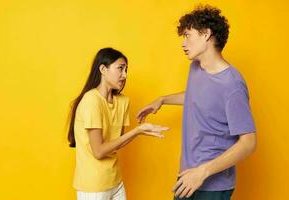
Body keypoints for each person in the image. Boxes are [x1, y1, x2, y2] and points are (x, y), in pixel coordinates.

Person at [137, 5, 256, 200]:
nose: (183, 43)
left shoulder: (232, 84)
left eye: (187, 35)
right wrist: (163, 100)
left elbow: (249, 143)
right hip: (187, 176)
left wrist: (202, 172)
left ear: (206, 34)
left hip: (212, 185)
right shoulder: (196, 67)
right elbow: (198, 96)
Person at [67, 47, 168, 200]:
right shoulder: (91, 101)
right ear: (103, 69)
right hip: (93, 186)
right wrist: (137, 131)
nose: (125, 75)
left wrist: (139, 132)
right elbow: (99, 152)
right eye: (120, 68)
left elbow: (116, 143)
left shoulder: (123, 101)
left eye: (126, 70)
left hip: (115, 181)